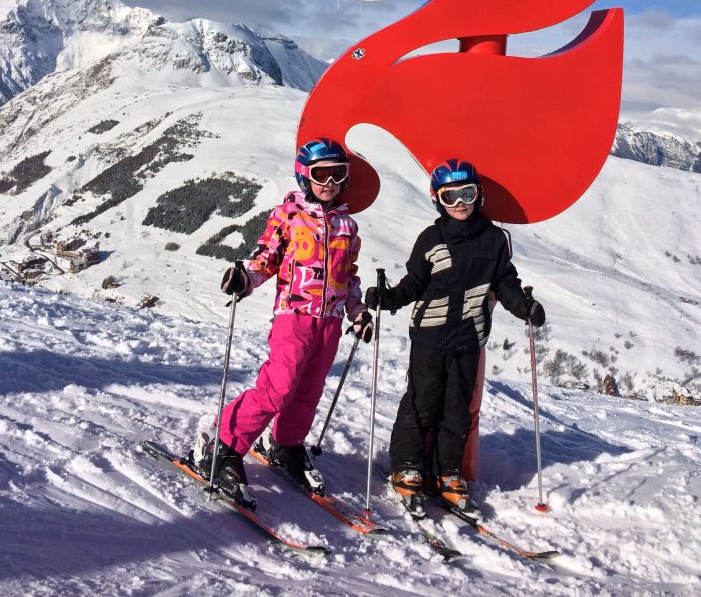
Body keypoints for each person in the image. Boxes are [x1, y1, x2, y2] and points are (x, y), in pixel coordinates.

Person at [191, 138, 372, 507]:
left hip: (331, 322)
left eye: (339, 174)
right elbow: (266, 257)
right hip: (294, 316)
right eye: (321, 174)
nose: (330, 182)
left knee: (309, 389)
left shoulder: (347, 226)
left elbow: (348, 277)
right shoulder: (288, 214)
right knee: (278, 387)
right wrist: (246, 279)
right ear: (305, 175)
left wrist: (358, 312)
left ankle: (286, 444)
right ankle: (223, 444)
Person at [365, 158, 545, 516]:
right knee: (421, 403)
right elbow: (415, 282)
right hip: (429, 336)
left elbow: (504, 282)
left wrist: (522, 306)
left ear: (478, 195)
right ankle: (408, 465)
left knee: (456, 411)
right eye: (451, 196)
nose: (460, 202)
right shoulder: (431, 239)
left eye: (468, 193)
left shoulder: (493, 240)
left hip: (468, 338)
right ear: (438, 200)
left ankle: (448, 472)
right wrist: (390, 299)